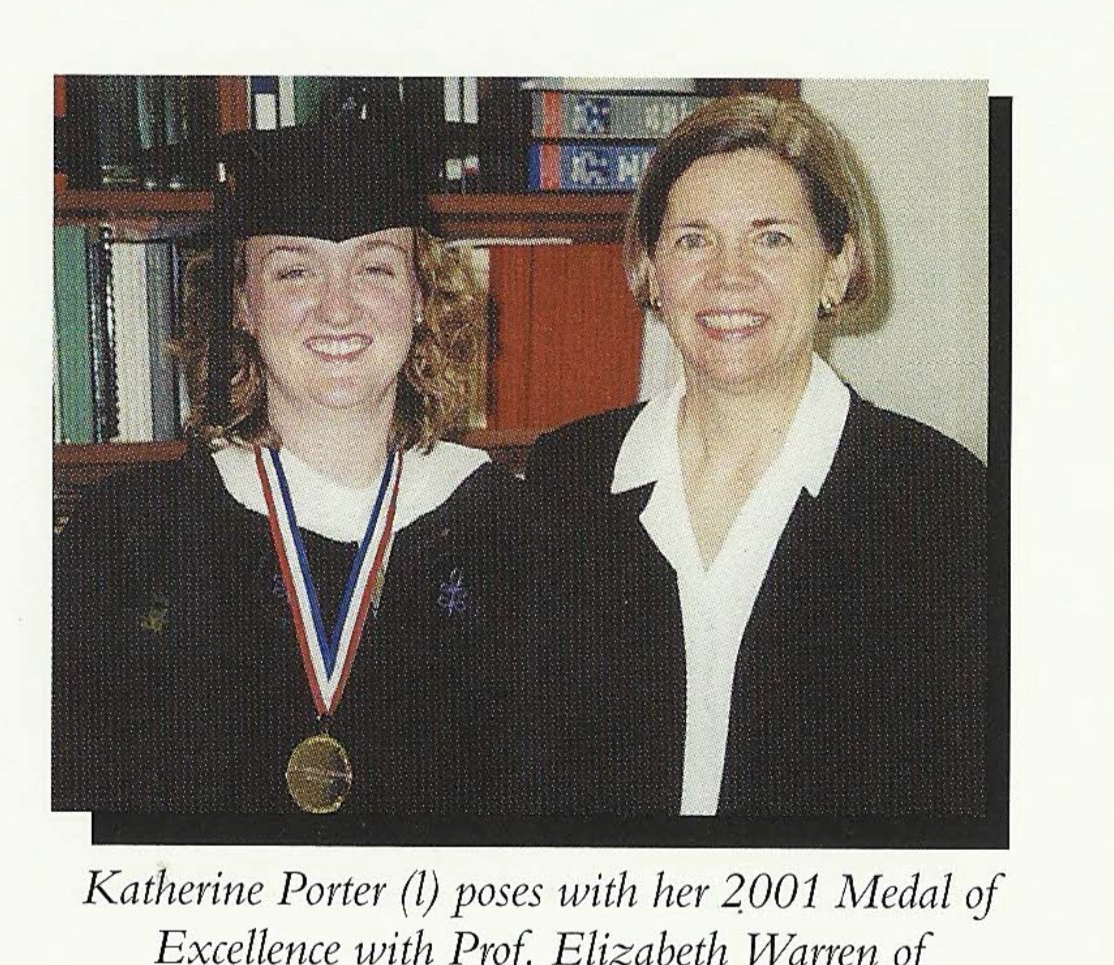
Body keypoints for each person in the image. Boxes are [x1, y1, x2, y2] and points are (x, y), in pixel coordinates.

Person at [525, 95, 987, 820]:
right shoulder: (566, 479)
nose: (728, 276)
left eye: (771, 239)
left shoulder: (944, 501)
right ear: (650, 270)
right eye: (694, 240)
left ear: (837, 266)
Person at [52, 119, 526, 815]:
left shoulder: (519, 534)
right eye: (295, 270)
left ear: (422, 297)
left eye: (375, 267)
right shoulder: (128, 534)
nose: (338, 307)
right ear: (242, 303)